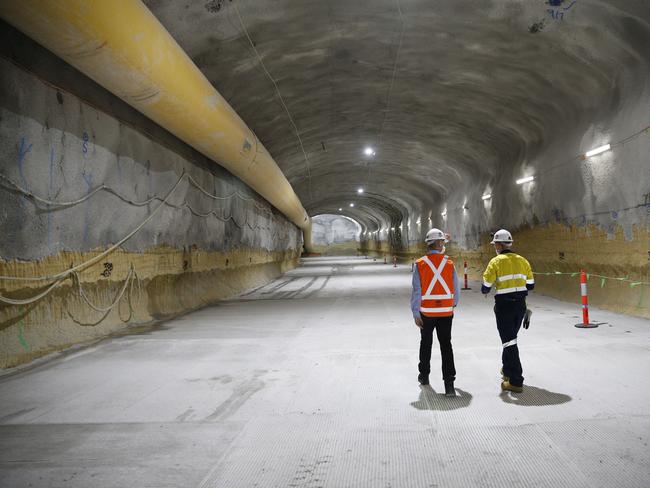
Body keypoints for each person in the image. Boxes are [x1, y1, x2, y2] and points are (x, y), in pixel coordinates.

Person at [481, 229, 534, 393]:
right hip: (520, 306)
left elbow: (485, 288)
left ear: (498, 245)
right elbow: (531, 285)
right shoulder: (523, 261)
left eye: (495, 244)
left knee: (509, 342)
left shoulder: (495, 262)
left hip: (505, 307)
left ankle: (516, 381)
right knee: (510, 339)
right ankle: (507, 370)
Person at [410, 228, 459, 397]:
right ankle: (450, 385)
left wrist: (416, 313)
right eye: (443, 242)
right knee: (446, 346)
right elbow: (456, 289)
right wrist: (452, 305)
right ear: (438, 243)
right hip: (446, 312)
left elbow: (417, 290)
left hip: (427, 313)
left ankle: (424, 376)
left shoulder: (420, 264)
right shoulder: (449, 263)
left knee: (426, 343)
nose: (444, 244)